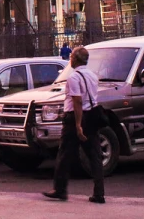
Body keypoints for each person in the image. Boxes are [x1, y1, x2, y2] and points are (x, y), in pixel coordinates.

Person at [43, 46, 105, 204]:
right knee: (95, 156)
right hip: (92, 116)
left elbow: (77, 101)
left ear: (76, 59)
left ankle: (60, 190)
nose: (69, 59)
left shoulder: (73, 77)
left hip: (74, 119)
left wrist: (78, 125)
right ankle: (99, 193)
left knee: (64, 154)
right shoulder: (92, 75)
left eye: (71, 56)